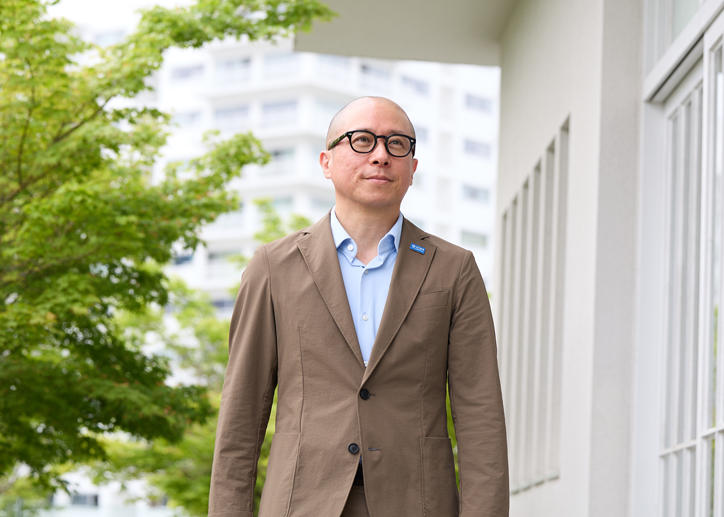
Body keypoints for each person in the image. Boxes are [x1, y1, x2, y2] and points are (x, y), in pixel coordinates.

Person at [208, 96, 509, 517]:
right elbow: (241, 416)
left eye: (396, 144)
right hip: (301, 503)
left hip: (418, 502)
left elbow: (481, 416)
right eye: (362, 140)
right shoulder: (273, 267)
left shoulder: (454, 269)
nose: (381, 155)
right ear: (326, 162)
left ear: (413, 169)